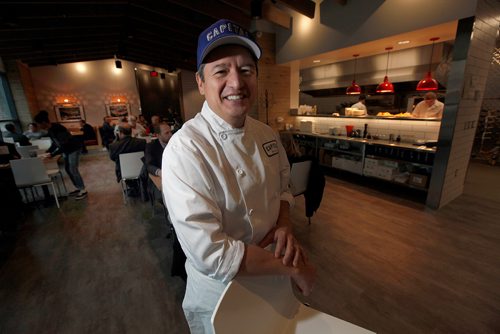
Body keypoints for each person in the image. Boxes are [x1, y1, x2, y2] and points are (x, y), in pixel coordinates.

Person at [162, 19, 316, 333]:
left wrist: (284, 224)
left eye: (246, 70)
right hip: (222, 295)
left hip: (272, 279)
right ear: (201, 82)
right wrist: (294, 266)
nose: (237, 83)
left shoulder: (266, 134)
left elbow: (282, 190)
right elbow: (212, 254)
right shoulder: (185, 149)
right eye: (221, 71)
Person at [34, 110, 88, 200]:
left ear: (43, 122)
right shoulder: (50, 130)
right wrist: (48, 151)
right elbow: (55, 143)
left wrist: (52, 154)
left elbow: (64, 144)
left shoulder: (57, 128)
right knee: (67, 169)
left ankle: (83, 190)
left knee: (73, 169)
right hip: (67, 150)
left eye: (38, 124)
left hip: (73, 148)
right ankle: (78, 188)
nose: (38, 126)